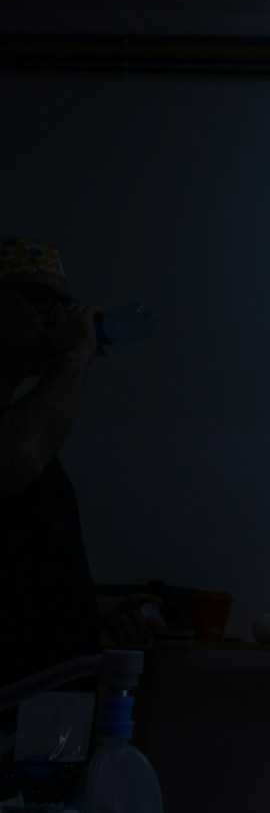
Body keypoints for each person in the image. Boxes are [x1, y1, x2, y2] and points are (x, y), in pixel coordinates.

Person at [1, 236, 164, 698]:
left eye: (63, 301)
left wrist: (91, 608)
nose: (59, 316)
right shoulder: (21, 441)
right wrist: (74, 355)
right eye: (39, 297)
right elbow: (16, 461)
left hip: (41, 712)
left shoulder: (24, 427)